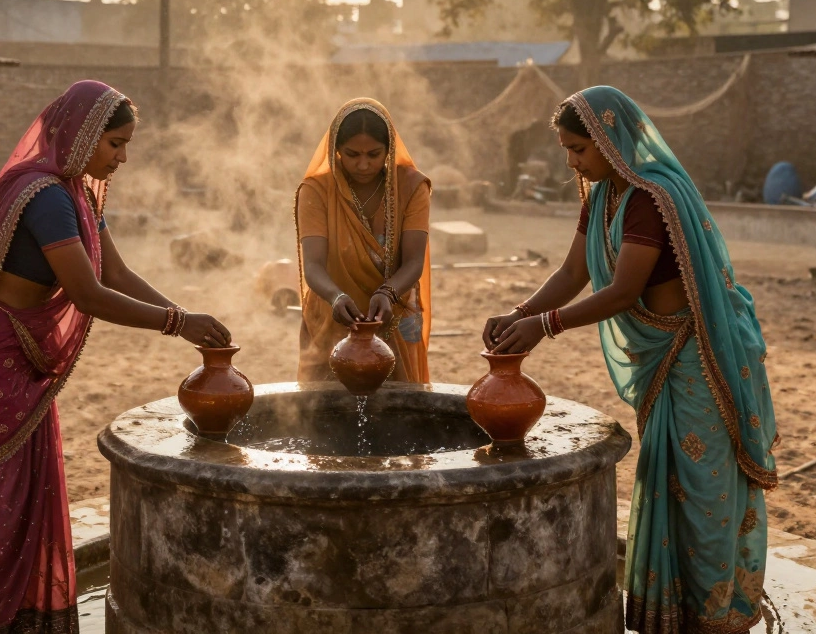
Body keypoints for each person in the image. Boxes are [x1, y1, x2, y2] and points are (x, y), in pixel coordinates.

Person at [0, 80, 231, 634]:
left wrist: (186, 318)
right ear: (82, 136)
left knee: (24, 483)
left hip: (17, 353)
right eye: (115, 144)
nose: (123, 158)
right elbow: (89, 294)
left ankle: (16, 617)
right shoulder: (46, 196)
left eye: (127, 145)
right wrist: (179, 324)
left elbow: (117, 273)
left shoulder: (76, 193)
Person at [482, 86, 778, 634]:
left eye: (579, 150)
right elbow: (573, 274)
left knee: (703, 488)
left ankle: (718, 616)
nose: (571, 161)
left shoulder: (650, 199)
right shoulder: (602, 197)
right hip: (662, 359)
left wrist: (543, 327)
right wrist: (518, 312)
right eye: (567, 150)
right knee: (669, 480)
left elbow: (621, 291)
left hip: (696, 355)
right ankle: (679, 612)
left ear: (610, 140)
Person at [295, 98, 432, 382]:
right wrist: (336, 297)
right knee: (321, 413)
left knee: (400, 409)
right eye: (352, 154)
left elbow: (414, 260)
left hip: (393, 312)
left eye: (374, 154)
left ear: (389, 149)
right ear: (336, 150)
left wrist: (387, 293)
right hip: (332, 314)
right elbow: (314, 265)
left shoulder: (411, 187)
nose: (363, 164)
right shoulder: (317, 191)